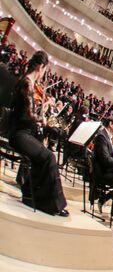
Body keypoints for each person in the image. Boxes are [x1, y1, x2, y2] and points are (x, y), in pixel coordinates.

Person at [8, 51, 68, 216]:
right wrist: (40, 119)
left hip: (24, 132)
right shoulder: (27, 83)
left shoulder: (29, 83)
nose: (43, 75)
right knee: (49, 157)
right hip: (20, 134)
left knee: (42, 157)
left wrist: (41, 115)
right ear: (41, 67)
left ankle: (30, 195)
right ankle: (54, 204)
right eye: (44, 70)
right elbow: (26, 115)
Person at [91, 115, 113, 211]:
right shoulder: (102, 136)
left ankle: (104, 199)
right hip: (102, 172)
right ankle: (103, 199)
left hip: (108, 170)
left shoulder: (107, 136)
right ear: (110, 124)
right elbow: (105, 159)